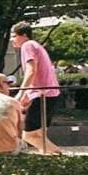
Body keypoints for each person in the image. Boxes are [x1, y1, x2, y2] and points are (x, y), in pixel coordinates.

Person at [10, 24, 62, 155]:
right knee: (39, 135)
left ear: (24, 36)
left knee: (29, 136)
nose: (12, 39)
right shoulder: (37, 46)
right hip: (50, 94)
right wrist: (28, 95)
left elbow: (32, 71)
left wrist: (21, 93)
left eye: (14, 36)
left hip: (42, 94)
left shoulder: (27, 46)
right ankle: (51, 162)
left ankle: (60, 155)